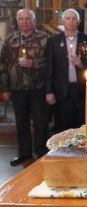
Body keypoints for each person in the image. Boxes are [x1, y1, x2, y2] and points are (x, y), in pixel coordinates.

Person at [0, 9, 49, 166]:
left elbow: (51, 62)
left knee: (41, 121)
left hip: (38, 87)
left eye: (28, 19)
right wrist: (4, 88)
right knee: (21, 122)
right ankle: (24, 153)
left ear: (33, 21)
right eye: (21, 19)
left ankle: (41, 151)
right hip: (17, 87)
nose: (25, 22)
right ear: (17, 21)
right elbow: (3, 65)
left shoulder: (44, 38)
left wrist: (34, 63)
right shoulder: (10, 40)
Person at [45, 8, 87, 132]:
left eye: (74, 19)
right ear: (62, 21)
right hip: (62, 91)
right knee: (64, 127)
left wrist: (81, 63)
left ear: (78, 22)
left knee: (84, 126)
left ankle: (84, 151)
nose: (71, 21)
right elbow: (49, 67)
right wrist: (49, 91)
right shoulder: (54, 41)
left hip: (82, 89)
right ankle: (66, 151)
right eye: (68, 18)